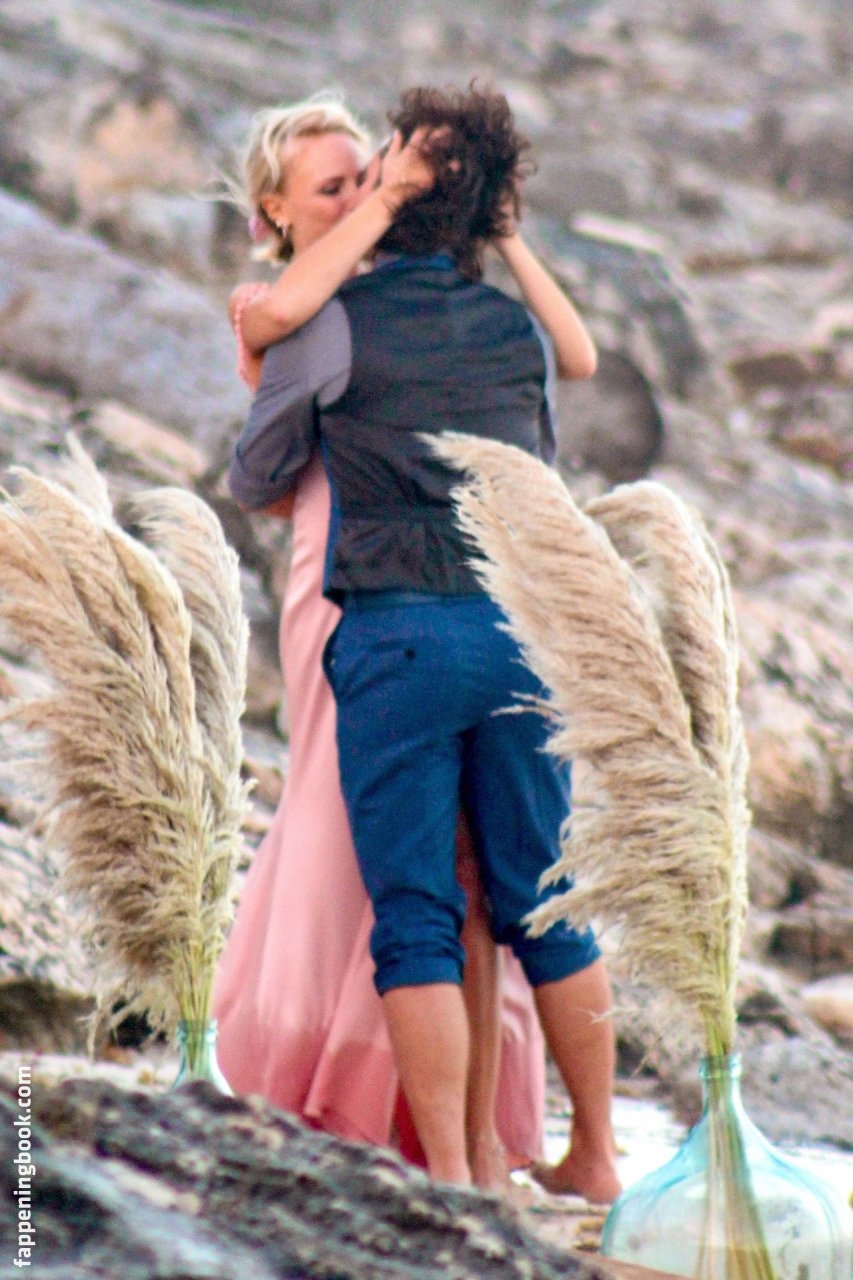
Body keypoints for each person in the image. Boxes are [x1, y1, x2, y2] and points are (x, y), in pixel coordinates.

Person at [227, 82, 622, 1199]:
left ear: (399, 193)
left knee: (414, 917)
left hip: (394, 629)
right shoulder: (513, 332)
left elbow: (255, 475)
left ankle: (451, 1176)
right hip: (516, 631)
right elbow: (540, 447)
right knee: (542, 905)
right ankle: (594, 1155)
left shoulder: (327, 322)